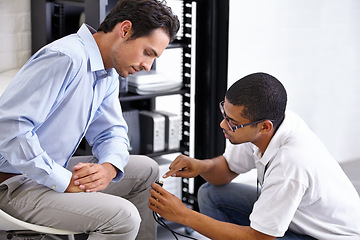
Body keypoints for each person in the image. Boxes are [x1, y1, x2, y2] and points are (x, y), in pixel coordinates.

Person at [0, 0, 179, 239]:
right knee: (123, 218)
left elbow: (112, 131)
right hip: (12, 185)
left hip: (45, 173)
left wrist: (109, 167)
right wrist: (63, 181)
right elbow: (11, 130)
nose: (148, 66)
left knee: (147, 170)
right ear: (124, 30)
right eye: (148, 53)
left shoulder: (106, 73)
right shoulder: (65, 58)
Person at [149, 72, 360, 240]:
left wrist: (183, 215)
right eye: (224, 113)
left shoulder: (290, 163)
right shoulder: (269, 127)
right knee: (211, 194)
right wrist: (201, 166)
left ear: (264, 126)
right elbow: (226, 170)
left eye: (232, 122)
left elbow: (260, 238)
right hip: (297, 221)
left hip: (325, 236)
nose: (223, 124)